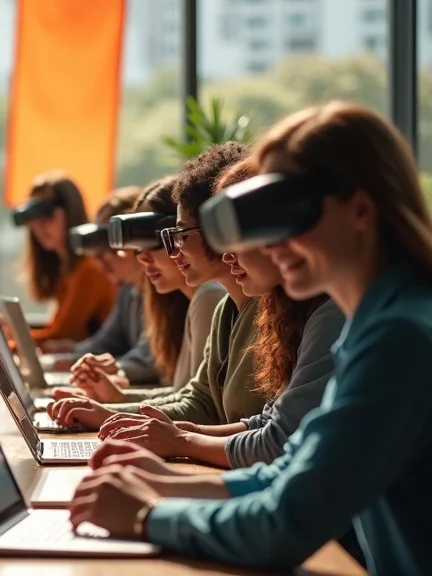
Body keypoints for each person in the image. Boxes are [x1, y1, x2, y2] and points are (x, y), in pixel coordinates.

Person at [70, 101, 432, 575]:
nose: (268, 244)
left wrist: (146, 516)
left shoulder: (398, 336)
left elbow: (287, 521)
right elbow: (291, 473)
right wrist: (166, 482)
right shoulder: (377, 323)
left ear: (361, 210)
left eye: (288, 216)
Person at [97, 159, 344, 468]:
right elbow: (267, 422)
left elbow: (279, 442)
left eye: (246, 234)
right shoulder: (248, 307)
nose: (228, 253)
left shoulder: (334, 316)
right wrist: (181, 435)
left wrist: (177, 443)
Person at [55, 144, 264, 429]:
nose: (173, 250)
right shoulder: (224, 309)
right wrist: (109, 408)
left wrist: (111, 411)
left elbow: (274, 433)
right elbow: (199, 401)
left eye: (179, 235)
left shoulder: (216, 298)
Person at [55, 176, 226, 403]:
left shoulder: (208, 296)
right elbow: (186, 397)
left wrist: (113, 405)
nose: (142, 258)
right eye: (135, 247)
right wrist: (116, 397)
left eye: (157, 239)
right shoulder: (191, 300)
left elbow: (198, 408)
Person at [52, 186, 157, 384]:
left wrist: (98, 371)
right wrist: (71, 360)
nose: (102, 263)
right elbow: (107, 342)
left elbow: (151, 361)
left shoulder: (164, 291)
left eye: (110, 247)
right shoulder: (128, 289)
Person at [18, 171, 116, 344]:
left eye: (47, 213)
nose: (39, 226)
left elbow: (60, 334)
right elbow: (56, 329)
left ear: (71, 212)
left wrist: (9, 336)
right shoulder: (66, 270)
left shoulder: (89, 269)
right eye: (33, 217)